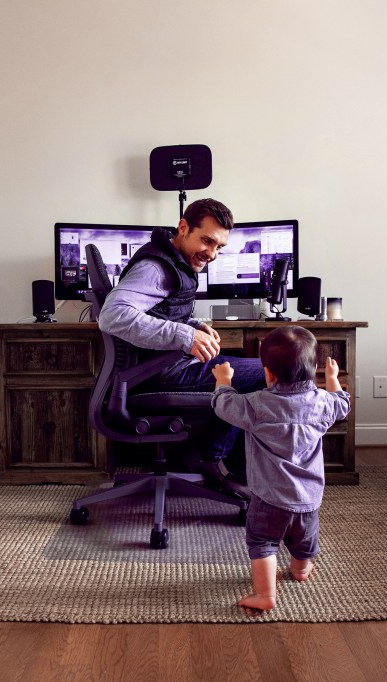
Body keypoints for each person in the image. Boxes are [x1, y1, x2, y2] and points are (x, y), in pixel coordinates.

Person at [97, 198, 266, 492]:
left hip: (162, 367)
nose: (212, 254)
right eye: (207, 241)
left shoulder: (174, 259)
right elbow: (113, 315)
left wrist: (193, 325)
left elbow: (160, 310)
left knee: (253, 371)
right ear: (184, 228)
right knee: (268, 373)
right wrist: (184, 336)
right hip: (161, 372)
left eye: (219, 247)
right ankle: (216, 461)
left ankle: (210, 457)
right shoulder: (155, 268)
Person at [210, 325, 351, 611]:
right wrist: (333, 379)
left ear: (268, 373)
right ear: (313, 368)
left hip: (268, 498)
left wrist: (224, 381)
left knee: (262, 543)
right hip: (308, 500)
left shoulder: (257, 404)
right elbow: (342, 404)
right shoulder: (322, 403)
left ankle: (265, 594)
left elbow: (224, 406)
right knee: (303, 543)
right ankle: (300, 570)